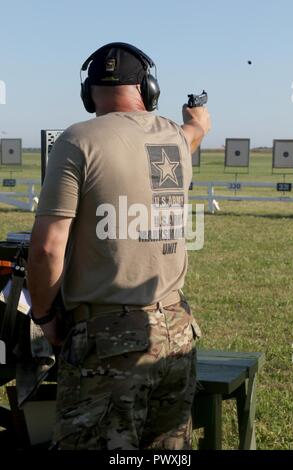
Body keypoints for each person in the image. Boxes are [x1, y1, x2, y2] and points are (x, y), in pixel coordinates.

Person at [27, 42, 211, 450]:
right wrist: (197, 119)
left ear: (88, 92)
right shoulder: (175, 139)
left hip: (108, 342)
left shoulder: (78, 140)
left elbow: (45, 249)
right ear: (149, 88)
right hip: (176, 334)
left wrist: (44, 315)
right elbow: (195, 132)